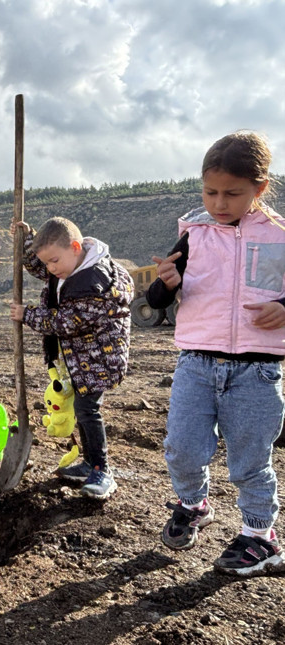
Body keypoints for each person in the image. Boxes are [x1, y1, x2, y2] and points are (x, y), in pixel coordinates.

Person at [146, 131, 285, 576]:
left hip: (256, 371)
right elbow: (160, 297)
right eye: (210, 192)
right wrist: (163, 284)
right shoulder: (194, 232)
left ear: (259, 189)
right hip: (196, 364)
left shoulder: (280, 237)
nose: (219, 203)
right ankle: (194, 504)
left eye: (232, 193)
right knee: (181, 448)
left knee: (249, 460)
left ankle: (261, 538)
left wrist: (283, 309)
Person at [10, 217, 132, 499]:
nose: (51, 269)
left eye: (55, 261)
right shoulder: (69, 266)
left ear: (75, 247)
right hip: (82, 357)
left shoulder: (91, 282)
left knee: (88, 410)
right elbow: (41, 266)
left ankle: (102, 470)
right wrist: (27, 241)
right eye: (49, 263)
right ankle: (90, 463)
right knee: (81, 409)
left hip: (100, 358)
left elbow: (66, 322)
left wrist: (27, 314)